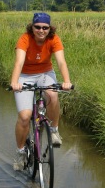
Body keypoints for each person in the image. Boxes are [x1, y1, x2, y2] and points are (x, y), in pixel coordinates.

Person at [10, 12, 72, 171]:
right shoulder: (25, 38)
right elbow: (19, 62)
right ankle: (20, 152)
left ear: (50, 28)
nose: (41, 31)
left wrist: (66, 81)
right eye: (37, 27)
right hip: (25, 75)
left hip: (45, 74)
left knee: (52, 95)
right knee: (25, 117)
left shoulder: (54, 39)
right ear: (32, 27)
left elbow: (61, 62)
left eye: (45, 28)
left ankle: (54, 130)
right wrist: (15, 82)